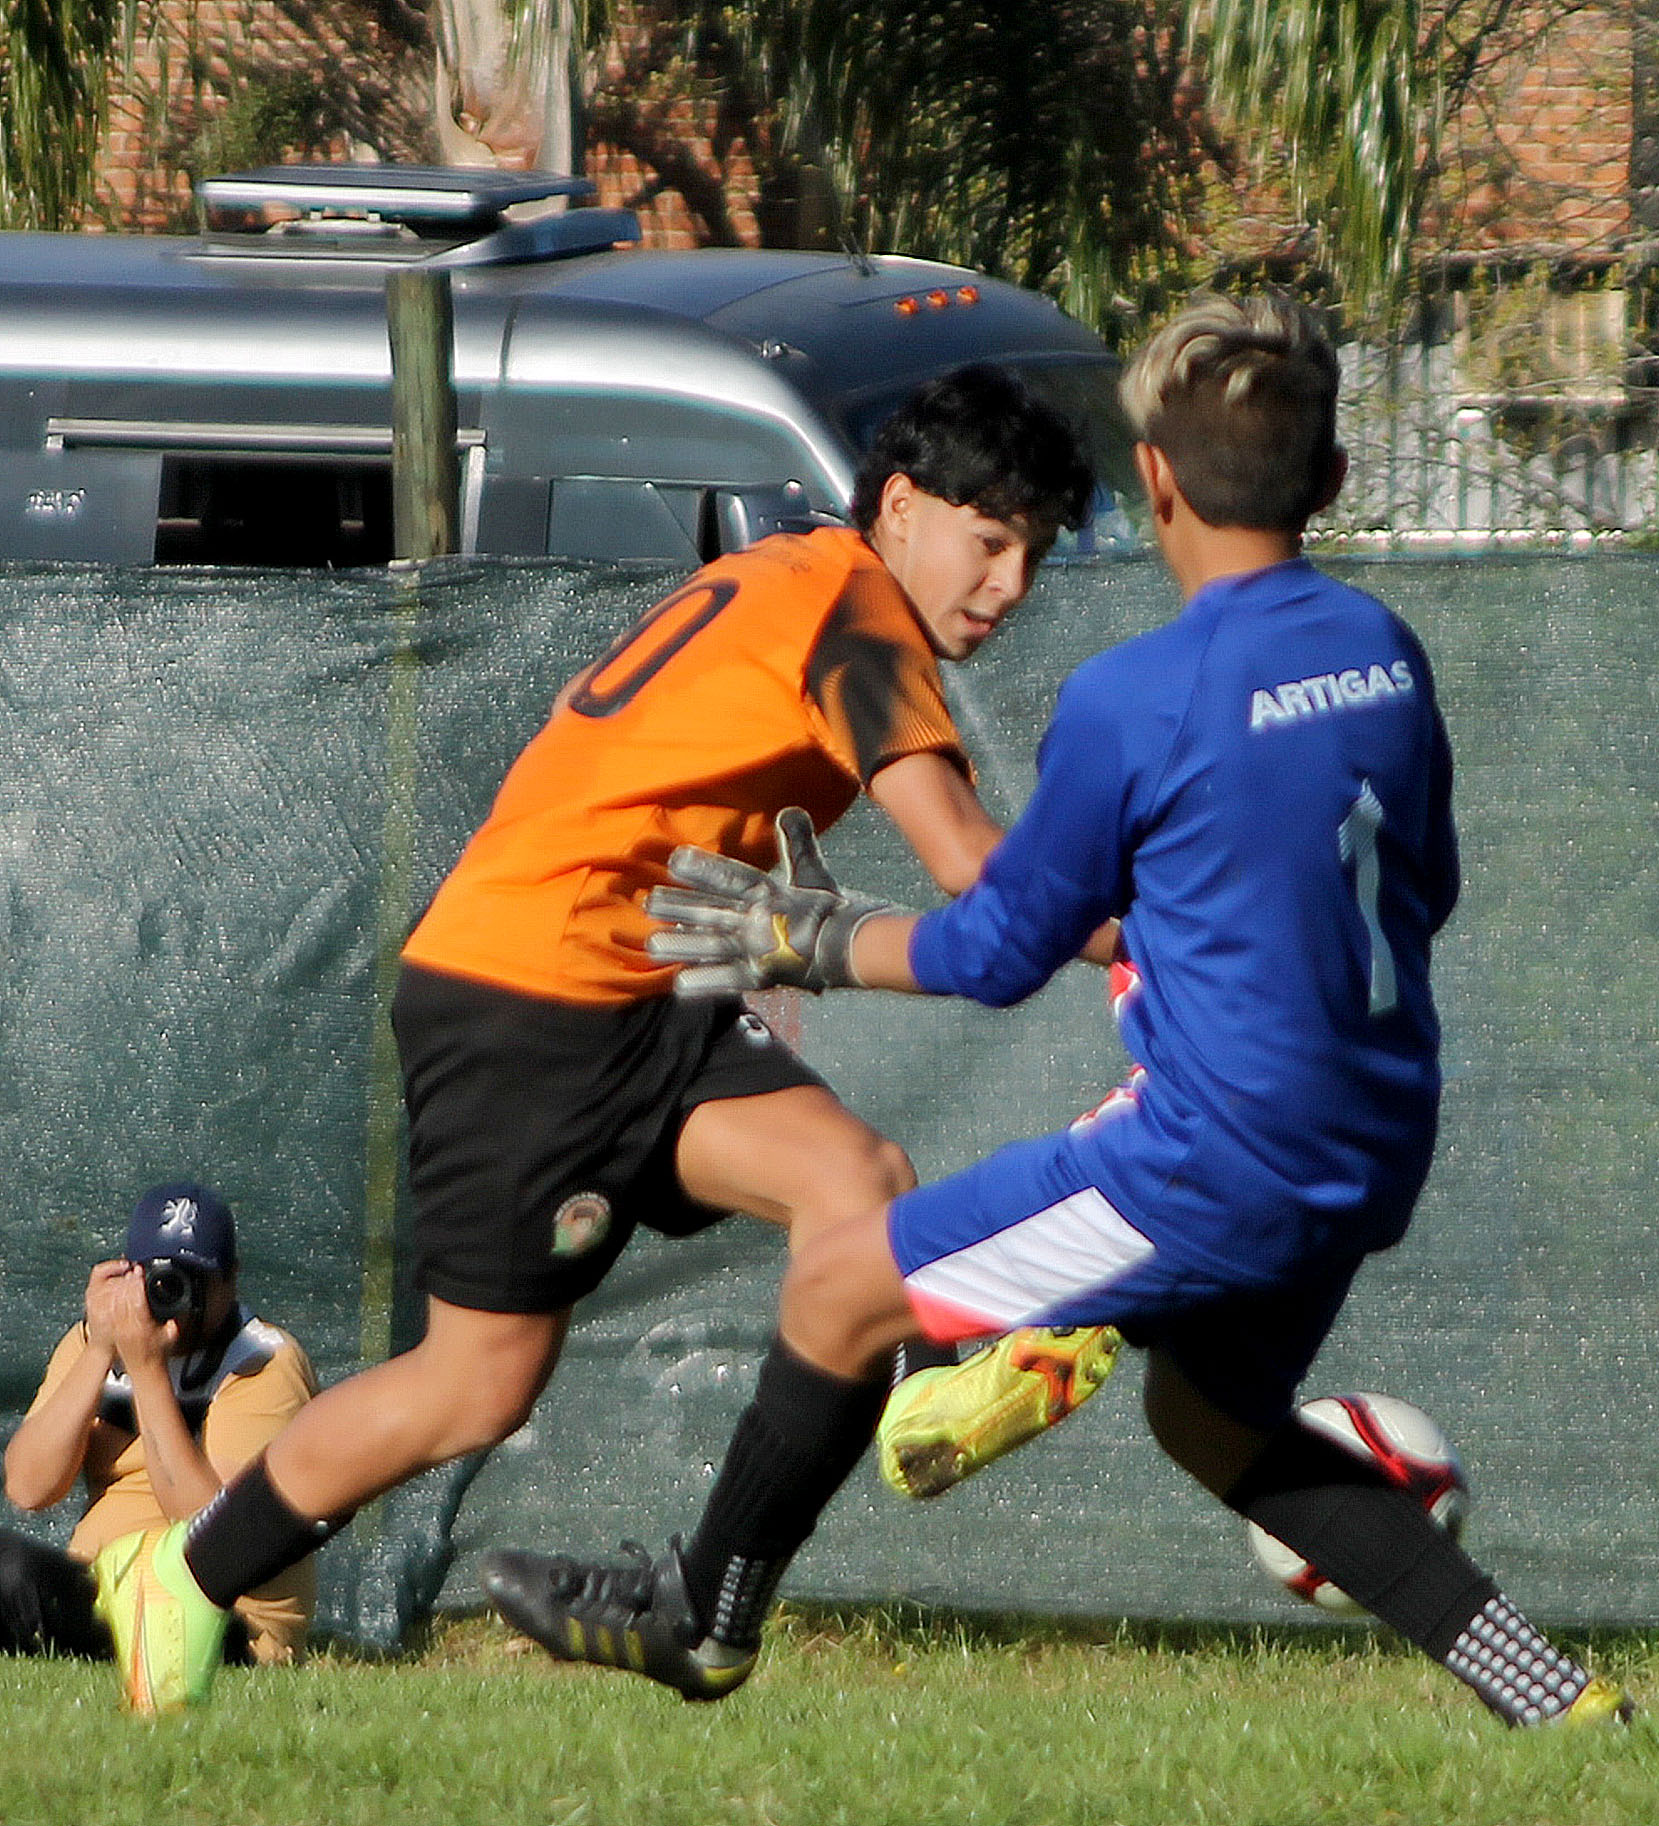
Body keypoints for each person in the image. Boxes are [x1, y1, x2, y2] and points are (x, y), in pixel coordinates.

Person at [482, 291, 1634, 1726]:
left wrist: (814, 936)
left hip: (1213, 1158)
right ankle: (1553, 1695)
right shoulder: (1385, 651)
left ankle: (703, 1616)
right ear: (1330, 482)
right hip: (1378, 1138)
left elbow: (996, 949)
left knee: (841, 1285)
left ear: (1154, 483)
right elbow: (1427, 888)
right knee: (1209, 1416)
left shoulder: (1134, 695)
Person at [89, 365, 1115, 1714]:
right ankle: (185, 1573)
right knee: (475, 1385)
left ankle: (903, 1412)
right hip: (530, 994)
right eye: (992, 539)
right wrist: (1168, 930)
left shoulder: (808, 578)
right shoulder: (856, 614)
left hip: (640, 983)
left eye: (1034, 552)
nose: (1012, 579)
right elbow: (977, 867)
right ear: (905, 506)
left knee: (856, 1179)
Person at [1, 1183, 316, 1676]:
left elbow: (215, 1535)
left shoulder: (261, 1363)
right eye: (159, 1276)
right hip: (107, 1587)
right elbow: (27, 1487)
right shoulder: (100, 1341)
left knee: (11, 1573)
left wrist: (148, 1374)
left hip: (222, 1616)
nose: (175, 1297)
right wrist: (100, 1350)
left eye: (195, 1280)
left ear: (231, 1282)